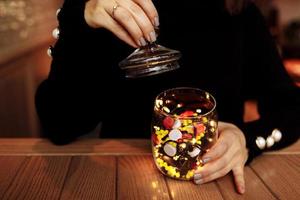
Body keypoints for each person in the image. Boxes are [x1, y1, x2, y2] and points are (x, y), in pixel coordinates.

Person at [35, 0, 300, 194]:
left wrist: (246, 139)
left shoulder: (241, 15)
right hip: (123, 185)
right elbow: (60, 123)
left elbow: (291, 109)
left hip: (216, 185)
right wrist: (80, 17)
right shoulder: (116, 8)